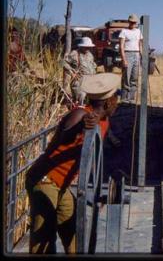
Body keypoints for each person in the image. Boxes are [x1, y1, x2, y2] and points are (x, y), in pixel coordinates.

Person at [25, 73, 121, 254]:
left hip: (62, 185)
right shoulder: (80, 114)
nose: (118, 101)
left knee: (73, 230)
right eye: (117, 96)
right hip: (44, 179)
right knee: (43, 239)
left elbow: (92, 157)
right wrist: (81, 126)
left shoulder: (104, 122)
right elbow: (65, 135)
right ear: (109, 102)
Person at [62, 37, 97, 105]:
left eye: (89, 47)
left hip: (90, 80)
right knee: (81, 97)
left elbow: (93, 65)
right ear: (81, 46)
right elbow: (63, 62)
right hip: (79, 80)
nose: (88, 48)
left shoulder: (90, 55)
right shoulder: (74, 53)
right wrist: (71, 72)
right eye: (86, 46)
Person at [119, 14, 143, 103]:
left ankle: (132, 98)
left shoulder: (139, 32)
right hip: (127, 53)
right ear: (129, 22)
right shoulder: (124, 31)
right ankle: (124, 98)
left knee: (134, 77)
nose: (133, 24)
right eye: (131, 22)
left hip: (136, 54)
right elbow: (121, 46)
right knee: (126, 77)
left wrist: (142, 56)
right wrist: (124, 59)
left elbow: (140, 45)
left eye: (134, 22)